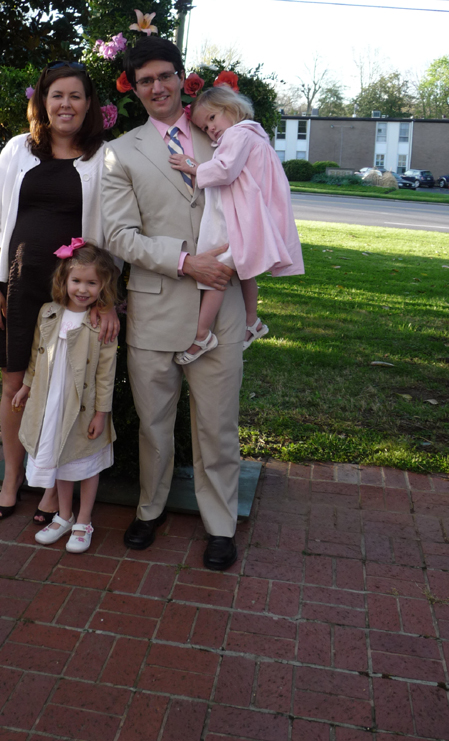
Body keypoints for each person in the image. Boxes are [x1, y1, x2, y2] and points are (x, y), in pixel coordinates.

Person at [101, 36, 246, 571]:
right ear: (134, 89)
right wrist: (186, 262)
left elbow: (255, 202)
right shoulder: (121, 152)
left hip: (221, 304)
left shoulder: (223, 134)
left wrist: (231, 259)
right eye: (146, 80)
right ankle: (150, 508)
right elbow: (119, 235)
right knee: (155, 424)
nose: (157, 87)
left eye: (165, 75)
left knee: (216, 425)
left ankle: (220, 524)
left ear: (181, 78)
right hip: (155, 307)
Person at [0, 61, 118, 521]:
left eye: (75, 96)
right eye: (57, 95)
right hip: (18, 286)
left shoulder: (103, 158)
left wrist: (107, 300)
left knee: (63, 388)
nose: (65, 104)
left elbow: (112, 236)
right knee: (15, 383)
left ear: (89, 104)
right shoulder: (18, 149)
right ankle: (14, 476)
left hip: (73, 295)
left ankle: (52, 485)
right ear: (42, 101)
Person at [169, 85, 304, 365]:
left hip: (237, 215)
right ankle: (252, 321)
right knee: (243, 271)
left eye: (212, 118)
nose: (211, 129)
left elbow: (225, 170)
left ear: (230, 109)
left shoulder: (238, 134)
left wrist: (193, 166)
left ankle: (202, 335)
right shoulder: (255, 135)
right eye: (204, 127)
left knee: (216, 269)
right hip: (248, 212)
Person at [12, 241, 119, 552]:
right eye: (76, 280)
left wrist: (101, 413)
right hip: (51, 403)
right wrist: (27, 386)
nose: (82, 289)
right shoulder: (49, 313)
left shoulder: (100, 324)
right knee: (60, 459)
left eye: (92, 283)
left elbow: (106, 373)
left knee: (84, 461)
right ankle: (64, 515)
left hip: (82, 407)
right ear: (64, 279)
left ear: (103, 285)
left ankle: (84, 520)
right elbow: (37, 354)